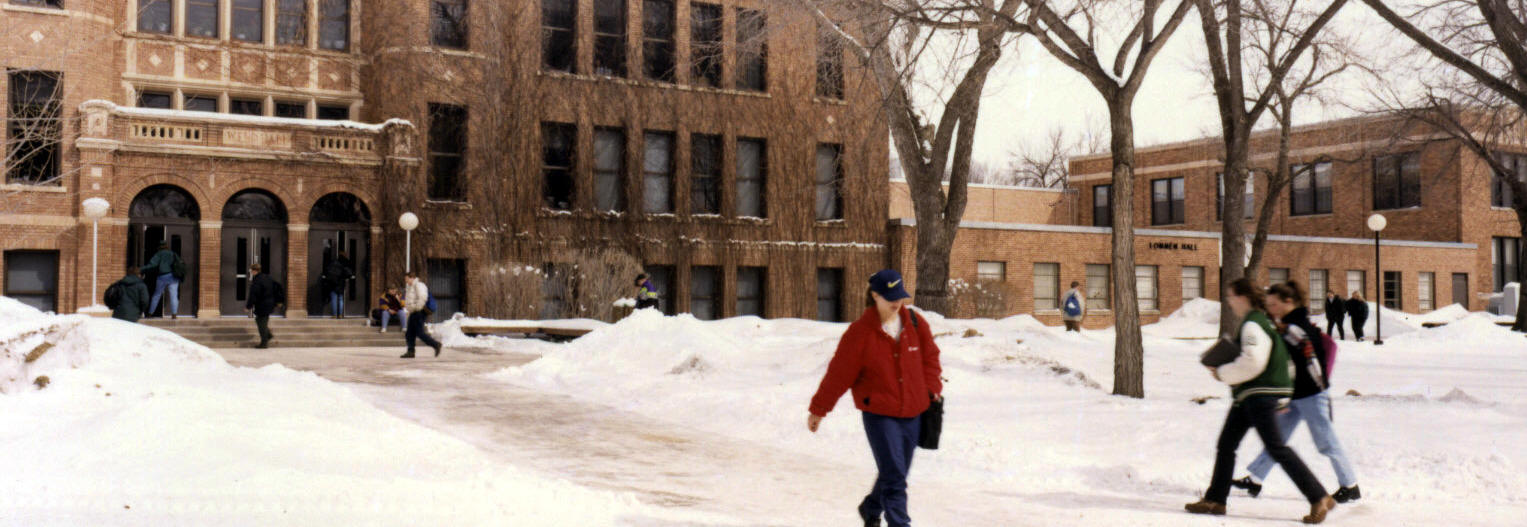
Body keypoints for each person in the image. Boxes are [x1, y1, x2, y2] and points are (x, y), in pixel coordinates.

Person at [1185, 278, 1335, 524]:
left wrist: (1222, 372)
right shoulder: (1264, 321)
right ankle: (1216, 499)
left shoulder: (1253, 324)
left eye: (1231, 296)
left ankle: (1318, 496)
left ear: (1243, 297)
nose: (1229, 301)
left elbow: (1253, 361)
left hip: (1258, 394)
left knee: (1276, 447)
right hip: (1250, 395)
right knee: (1227, 445)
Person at [808, 269, 943, 527]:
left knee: (896, 472)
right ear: (875, 295)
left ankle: (871, 507)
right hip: (880, 415)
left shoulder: (915, 323)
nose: (896, 301)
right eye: (890, 296)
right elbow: (838, 375)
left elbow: (931, 359)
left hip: (914, 412)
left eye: (899, 296)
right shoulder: (860, 333)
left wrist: (931, 388)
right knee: (894, 478)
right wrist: (818, 410)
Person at [1233, 281, 1361, 504]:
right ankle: (1255, 479)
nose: (1270, 308)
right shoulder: (1289, 325)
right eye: (1268, 304)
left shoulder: (1295, 328)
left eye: (1274, 304)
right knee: (1277, 439)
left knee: (1326, 441)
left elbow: (1309, 363)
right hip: (1298, 395)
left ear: (1288, 302)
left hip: (1311, 394)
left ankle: (1350, 486)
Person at [401, 272, 442, 359]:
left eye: (407, 279)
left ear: (412, 278)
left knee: (419, 333)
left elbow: (423, 297)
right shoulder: (409, 287)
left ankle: (436, 344)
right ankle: (410, 351)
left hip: (419, 312)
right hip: (413, 312)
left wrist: (417, 308)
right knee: (409, 333)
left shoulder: (419, 285)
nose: (406, 281)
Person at [244, 263, 285, 349]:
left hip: (262, 304)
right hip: (270, 303)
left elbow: (254, 295)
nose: (251, 272)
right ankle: (268, 335)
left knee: (261, 323)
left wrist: (248, 306)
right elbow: (277, 287)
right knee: (262, 320)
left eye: (251, 270)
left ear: (254, 271)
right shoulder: (268, 278)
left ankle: (264, 342)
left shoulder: (257, 281)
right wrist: (279, 301)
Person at [140, 242, 181, 319]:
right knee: (174, 296)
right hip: (174, 276)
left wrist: (141, 269)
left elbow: (152, 264)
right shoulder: (173, 253)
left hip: (162, 277)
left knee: (157, 295)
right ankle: (174, 315)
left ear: (159, 247)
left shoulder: (159, 254)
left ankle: (150, 313)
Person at [322, 252, 354, 319]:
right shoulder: (345, 263)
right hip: (341, 283)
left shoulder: (334, 262)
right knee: (340, 299)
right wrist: (349, 277)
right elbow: (348, 273)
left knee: (334, 299)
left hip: (333, 283)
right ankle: (340, 315)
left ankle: (334, 315)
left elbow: (327, 271)